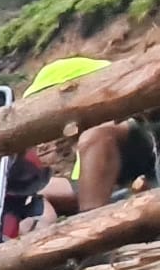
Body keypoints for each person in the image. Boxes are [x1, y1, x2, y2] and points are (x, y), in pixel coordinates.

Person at [28, 57, 160, 215]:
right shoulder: (88, 144)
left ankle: (93, 227)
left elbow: (98, 137)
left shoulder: (98, 136)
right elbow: (80, 187)